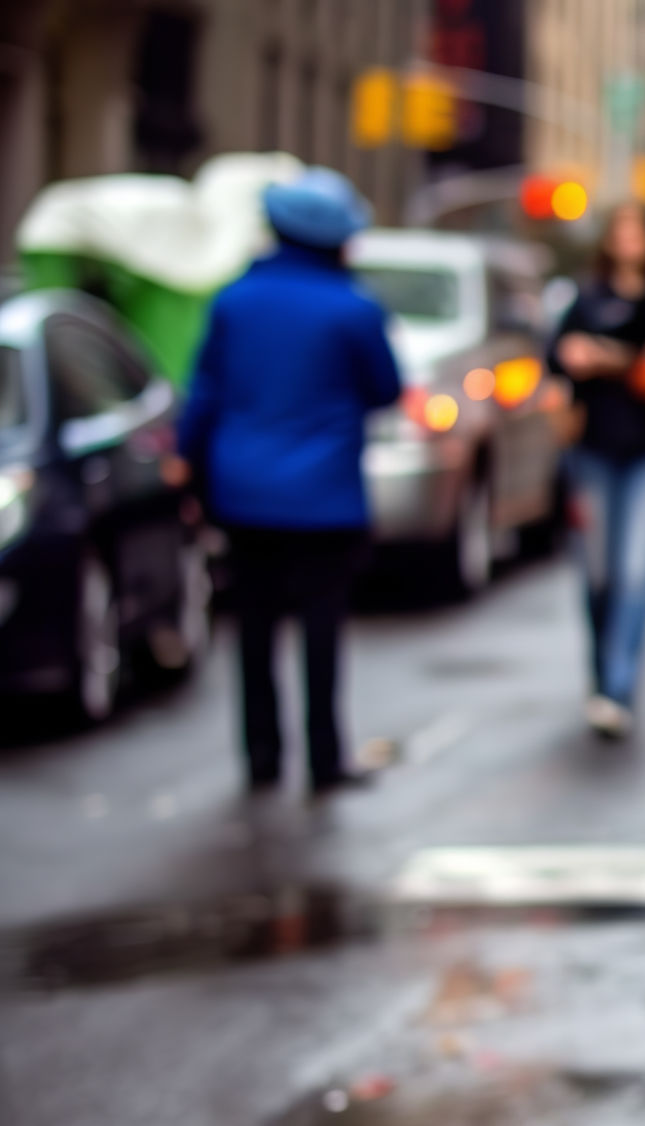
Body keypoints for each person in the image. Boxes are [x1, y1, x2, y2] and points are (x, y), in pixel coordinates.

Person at [179, 168, 400, 792]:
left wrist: (188, 470)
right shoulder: (354, 309)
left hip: (243, 494)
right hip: (325, 500)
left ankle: (261, 758)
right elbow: (384, 389)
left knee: (252, 628)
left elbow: (205, 396)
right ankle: (323, 761)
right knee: (321, 632)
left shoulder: (233, 301)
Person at [548, 203, 645, 737]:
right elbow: (557, 360)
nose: (630, 240)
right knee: (598, 577)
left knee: (636, 572)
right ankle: (600, 680)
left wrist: (608, 359)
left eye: (639, 230)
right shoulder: (584, 300)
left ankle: (617, 689)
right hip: (592, 455)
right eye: (622, 229)